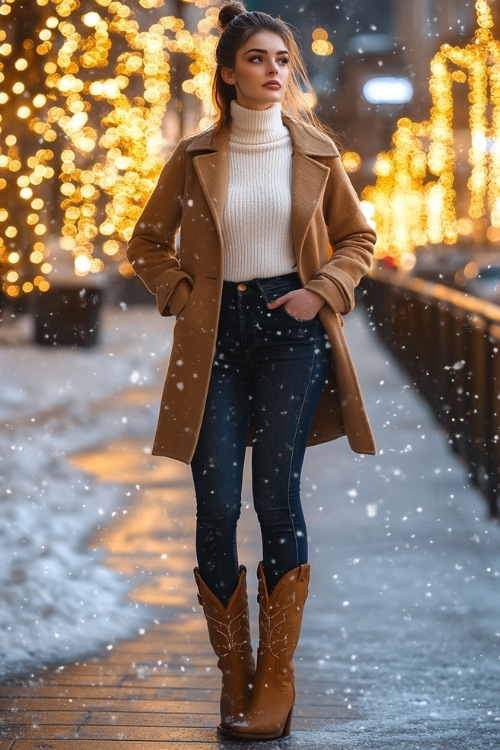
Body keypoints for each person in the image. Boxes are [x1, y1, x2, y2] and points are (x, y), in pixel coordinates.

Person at [127, 1, 376, 740]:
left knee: (276, 498)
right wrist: (182, 295)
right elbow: (146, 242)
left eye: (281, 58)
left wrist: (319, 292)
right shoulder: (197, 153)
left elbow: (358, 238)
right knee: (213, 507)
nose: (274, 70)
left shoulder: (317, 152)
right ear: (230, 74)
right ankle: (231, 670)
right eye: (258, 59)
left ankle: (276, 677)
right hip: (213, 340)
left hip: (290, 331)